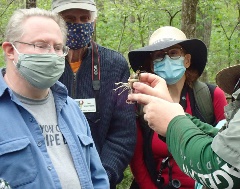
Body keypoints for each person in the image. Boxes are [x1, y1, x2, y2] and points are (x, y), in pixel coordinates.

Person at [0, 7, 109, 189]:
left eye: (58, 48)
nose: (52, 54)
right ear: (11, 50)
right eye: (41, 45)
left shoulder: (71, 108)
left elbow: (97, 178)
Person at [128, 26, 227, 188]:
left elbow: (227, 152)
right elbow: (137, 161)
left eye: (174, 53)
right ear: (152, 65)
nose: (167, 60)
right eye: (159, 56)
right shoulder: (143, 101)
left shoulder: (211, 96)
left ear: (187, 60)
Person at [51, 0, 136, 188]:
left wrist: (102, 177)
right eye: (69, 19)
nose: (78, 24)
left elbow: (123, 132)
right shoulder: (44, 63)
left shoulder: (114, 64)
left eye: (84, 18)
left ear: (94, 21)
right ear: (55, 22)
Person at [127, 71, 240, 188]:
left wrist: (173, 122)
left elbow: (222, 164)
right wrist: (172, 110)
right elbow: (220, 139)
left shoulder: (208, 94)